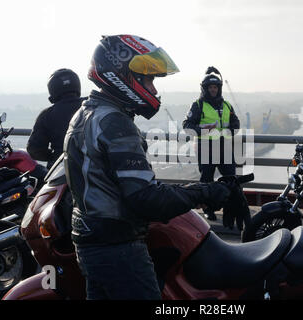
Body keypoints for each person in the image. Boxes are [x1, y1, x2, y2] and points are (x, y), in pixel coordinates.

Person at [63, 35, 232, 300]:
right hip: (118, 249)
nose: (153, 90)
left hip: (91, 243)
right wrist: (204, 192)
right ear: (122, 75)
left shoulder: (86, 113)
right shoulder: (115, 123)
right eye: (148, 79)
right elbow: (145, 198)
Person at [182, 67, 240, 221]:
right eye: (210, 87)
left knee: (231, 179)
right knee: (206, 181)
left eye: (216, 87)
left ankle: (231, 210)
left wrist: (229, 132)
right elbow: (187, 126)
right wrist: (203, 130)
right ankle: (208, 210)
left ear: (219, 88)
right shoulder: (198, 105)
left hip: (225, 148)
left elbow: (235, 123)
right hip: (205, 148)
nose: (213, 90)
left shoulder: (227, 105)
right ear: (205, 89)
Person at [27, 69, 86, 169]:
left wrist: (55, 156)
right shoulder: (91, 105)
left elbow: (34, 149)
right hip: (95, 169)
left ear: (53, 89)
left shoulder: (47, 115)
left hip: (61, 170)